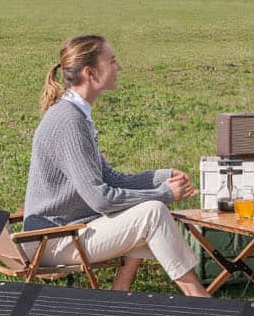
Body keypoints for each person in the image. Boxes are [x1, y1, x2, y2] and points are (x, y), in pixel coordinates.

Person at [24, 33, 208, 296]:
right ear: (91, 73)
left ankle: (117, 298)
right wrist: (164, 194)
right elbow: (101, 199)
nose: (118, 67)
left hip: (66, 232)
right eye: (112, 61)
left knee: (142, 212)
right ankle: (200, 300)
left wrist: (161, 176)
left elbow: (110, 178)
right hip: (51, 241)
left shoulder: (75, 114)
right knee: (152, 212)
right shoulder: (69, 121)